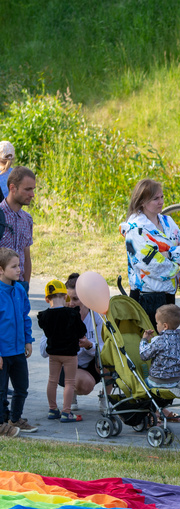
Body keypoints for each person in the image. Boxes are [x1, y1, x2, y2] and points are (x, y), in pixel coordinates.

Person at [121, 178, 180, 326]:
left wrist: (167, 254)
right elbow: (151, 266)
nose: (161, 202)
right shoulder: (135, 229)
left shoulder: (168, 221)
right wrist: (175, 259)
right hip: (146, 297)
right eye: (155, 199)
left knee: (166, 344)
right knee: (150, 345)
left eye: (162, 197)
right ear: (142, 202)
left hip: (168, 294)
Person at [37, 279, 87, 424]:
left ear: (47, 299)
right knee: (69, 382)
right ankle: (66, 412)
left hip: (53, 354)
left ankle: (52, 409)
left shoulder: (44, 316)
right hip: (70, 354)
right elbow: (81, 331)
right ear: (65, 296)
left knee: (52, 380)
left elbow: (46, 332)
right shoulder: (71, 314)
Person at [0, 248, 34, 436]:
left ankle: (15, 418)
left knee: (22, 387)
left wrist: (28, 340)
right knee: (1, 391)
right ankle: (1, 424)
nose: (19, 269)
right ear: (1, 270)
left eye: (19, 265)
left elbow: (25, 316)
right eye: (14, 267)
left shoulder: (20, 289)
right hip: (2, 353)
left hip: (18, 351)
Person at [140, 304, 180, 399]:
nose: (156, 325)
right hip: (175, 378)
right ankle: (176, 384)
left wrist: (144, 340)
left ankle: (164, 388)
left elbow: (144, 356)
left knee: (142, 384)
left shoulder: (159, 341)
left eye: (157, 323)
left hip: (157, 381)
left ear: (165, 326)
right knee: (172, 379)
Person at [0, 167, 35, 292]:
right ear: (12, 188)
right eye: (27, 189)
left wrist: (25, 287)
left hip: (18, 288)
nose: (32, 194)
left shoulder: (27, 219)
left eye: (33, 189)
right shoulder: (0, 215)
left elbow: (26, 256)